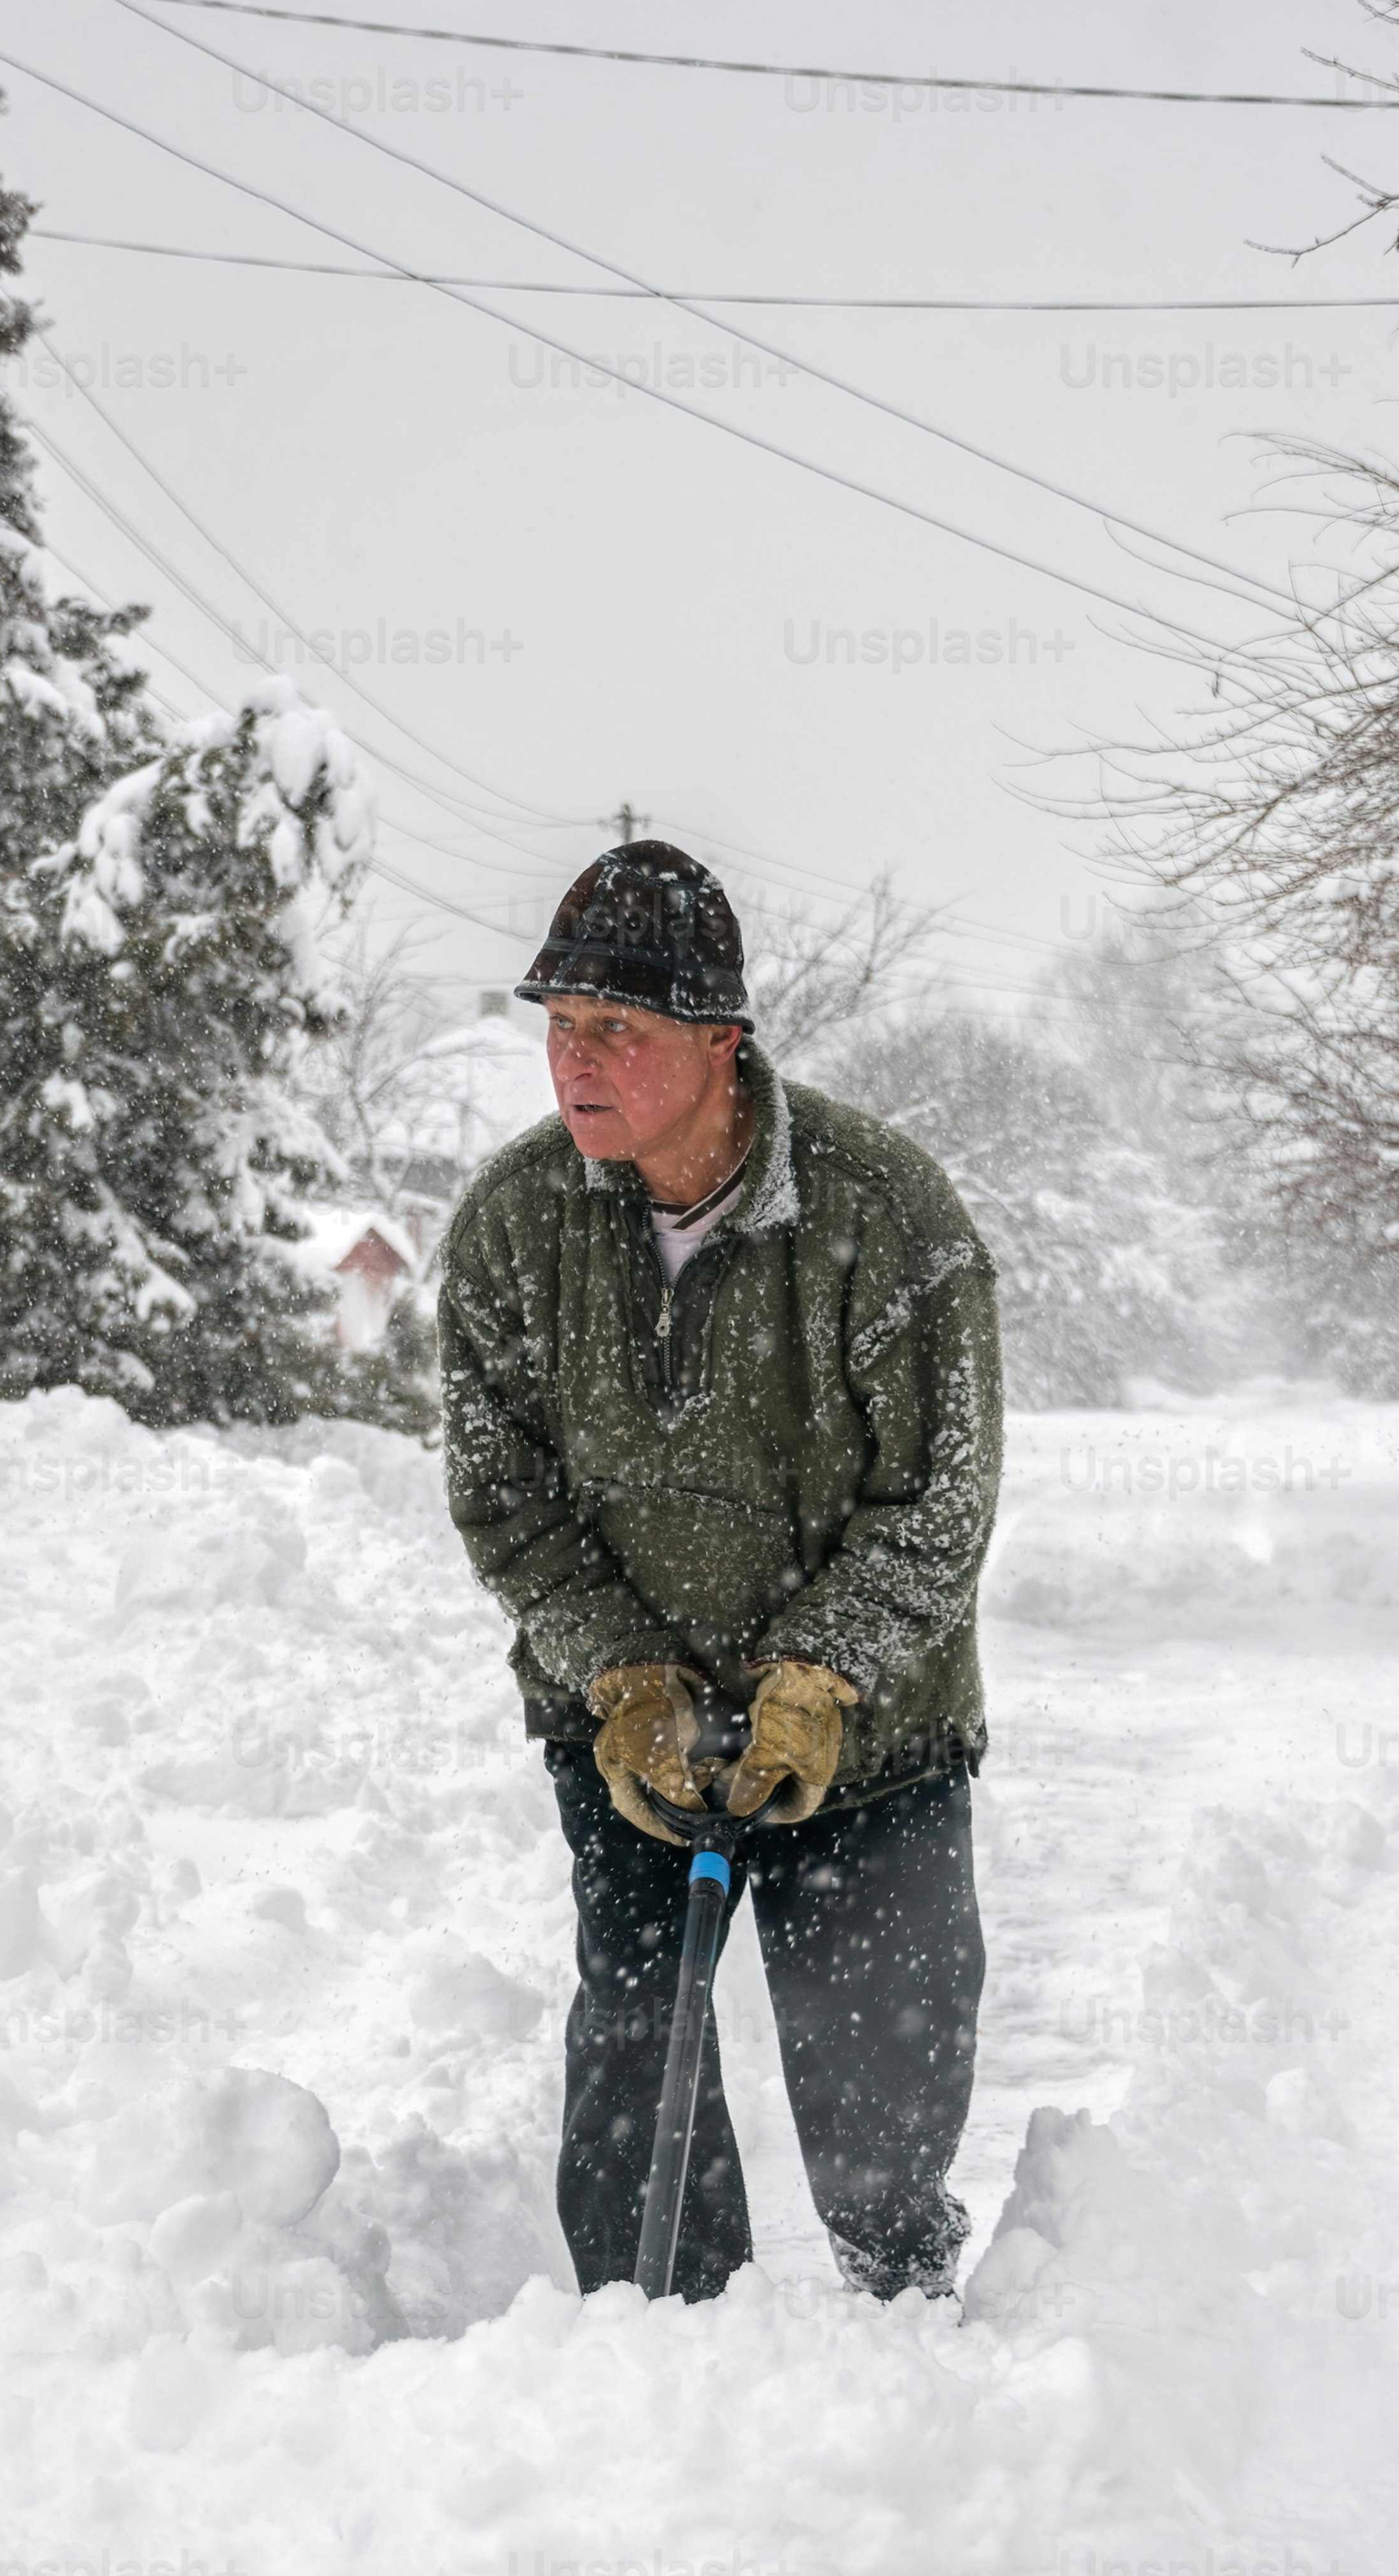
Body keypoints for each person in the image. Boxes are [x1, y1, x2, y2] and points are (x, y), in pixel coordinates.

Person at [438, 840, 1002, 2304]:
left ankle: (908, 2352)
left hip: (866, 1738)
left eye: (618, 1030)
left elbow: (939, 1497)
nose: (578, 1062)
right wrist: (618, 1671)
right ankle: (655, 2353)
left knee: (880, 2076)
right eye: (560, 1027)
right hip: (627, 1723)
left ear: (720, 1042)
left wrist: (821, 1678)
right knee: (633, 2056)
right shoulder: (512, 1226)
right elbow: (502, 1493)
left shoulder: (885, 1220)